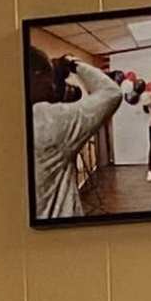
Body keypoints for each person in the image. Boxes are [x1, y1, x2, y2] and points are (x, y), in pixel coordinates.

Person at [27, 54, 131, 221]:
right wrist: (72, 62)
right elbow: (112, 93)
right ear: (36, 76)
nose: (53, 86)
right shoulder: (48, 119)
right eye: (49, 79)